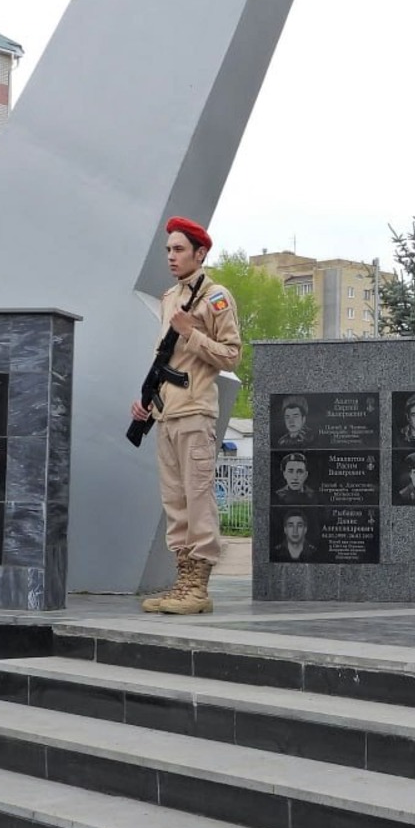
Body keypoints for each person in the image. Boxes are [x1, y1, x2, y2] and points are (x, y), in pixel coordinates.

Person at [129, 214, 241, 615]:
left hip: (195, 413)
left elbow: (232, 355)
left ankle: (198, 588)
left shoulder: (216, 297)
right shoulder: (169, 298)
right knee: (175, 503)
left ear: (200, 253)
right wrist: (146, 402)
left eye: (179, 249)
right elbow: (164, 361)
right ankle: (183, 583)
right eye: (168, 250)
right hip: (167, 414)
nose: (171, 257)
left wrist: (191, 333)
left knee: (198, 500)